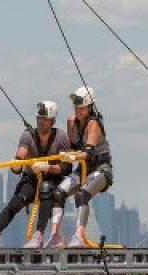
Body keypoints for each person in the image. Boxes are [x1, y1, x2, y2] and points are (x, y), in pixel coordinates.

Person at [0, 100, 71, 248]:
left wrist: (47, 167)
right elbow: (21, 154)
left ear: (53, 121)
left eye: (45, 119)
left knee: (46, 188)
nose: (41, 122)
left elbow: (66, 167)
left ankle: (39, 234)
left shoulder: (61, 137)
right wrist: (17, 165)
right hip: (32, 178)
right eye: (39, 119)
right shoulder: (28, 136)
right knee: (17, 201)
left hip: (53, 179)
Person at [62, 87, 114, 247]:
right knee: (57, 194)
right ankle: (56, 235)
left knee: (82, 196)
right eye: (76, 106)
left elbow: (88, 153)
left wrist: (72, 156)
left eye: (81, 106)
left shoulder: (94, 124)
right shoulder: (71, 122)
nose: (77, 109)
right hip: (83, 169)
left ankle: (79, 235)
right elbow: (72, 148)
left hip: (101, 169)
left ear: (90, 107)